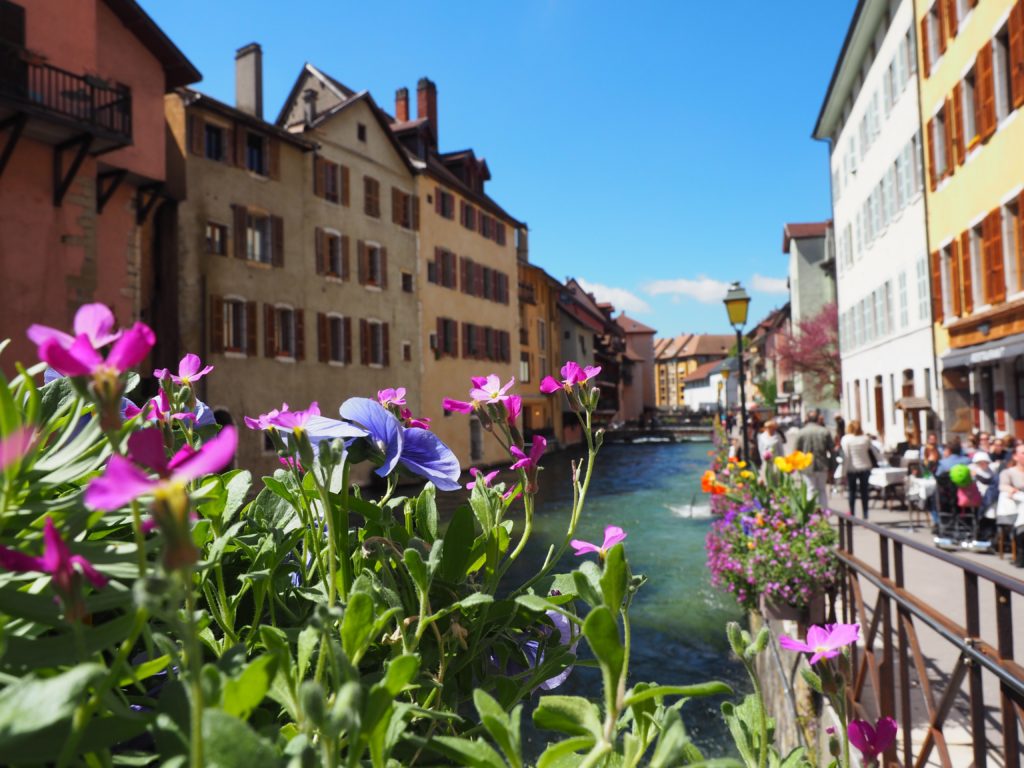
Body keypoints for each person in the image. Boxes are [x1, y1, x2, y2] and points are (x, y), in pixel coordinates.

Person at [840, 420, 879, 519]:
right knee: (864, 492)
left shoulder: (846, 439)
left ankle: (852, 515)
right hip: (865, 467)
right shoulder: (865, 438)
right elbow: (874, 452)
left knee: (852, 492)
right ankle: (865, 514)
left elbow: (846, 457)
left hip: (851, 468)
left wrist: (843, 473)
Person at [796, 408, 834, 507]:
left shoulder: (801, 432)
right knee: (822, 490)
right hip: (822, 465)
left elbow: (796, 452)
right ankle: (824, 514)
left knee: (810, 489)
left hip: (807, 466)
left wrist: (798, 466)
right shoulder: (824, 431)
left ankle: (812, 515)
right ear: (818, 419)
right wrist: (832, 467)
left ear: (807, 419)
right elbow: (832, 451)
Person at [996, 442, 1024, 567]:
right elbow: (1003, 485)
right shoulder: (1008, 472)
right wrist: (1011, 489)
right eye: (1023, 453)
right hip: (1016, 506)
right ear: (1015, 456)